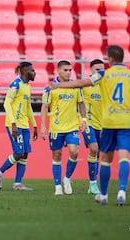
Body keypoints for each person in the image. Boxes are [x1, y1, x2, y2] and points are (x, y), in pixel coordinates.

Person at [50, 45, 130, 206]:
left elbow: (81, 82)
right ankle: (121, 191)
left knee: (105, 159)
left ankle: (103, 195)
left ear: (110, 59)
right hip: (126, 122)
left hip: (108, 123)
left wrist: (58, 85)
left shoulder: (104, 75)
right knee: (123, 158)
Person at [40, 60, 87, 195]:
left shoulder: (76, 86)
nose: (68, 72)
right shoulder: (51, 87)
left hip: (72, 126)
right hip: (56, 128)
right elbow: (44, 107)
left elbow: (81, 103)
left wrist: (84, 119)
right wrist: (43, 126)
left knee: (74, 152)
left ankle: (66, 179)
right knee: (57, 155)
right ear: (58, 71)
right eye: (65, 70)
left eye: (70, 70)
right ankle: (57, 186)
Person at [0, 61, 38, 191]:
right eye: (32, 70)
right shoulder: (15, 84)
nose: (34, 73)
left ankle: (17, 184)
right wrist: (13, 123)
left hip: (24, 125)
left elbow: (28, 106)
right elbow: (6, 104)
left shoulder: (27, 87)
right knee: (19, 152)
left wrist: (34, 125)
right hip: (14, 124)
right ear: (25, 72)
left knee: (25, 154)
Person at [81, 59, 105, 195]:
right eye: (97, 70)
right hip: (88, 123)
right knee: (94, 149)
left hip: (102, 125)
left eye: (102, 69)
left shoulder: (106, 85)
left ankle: (92, 183)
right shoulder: (86, 85)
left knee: (97, 155)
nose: (101, 72)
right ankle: (93, 184)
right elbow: (77, 102)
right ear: (91, 70)